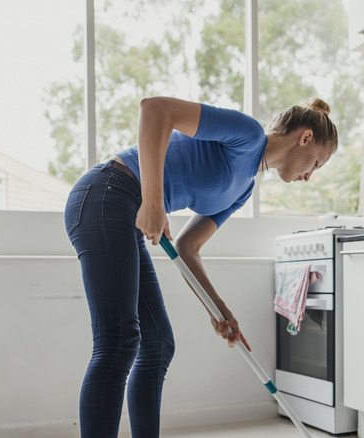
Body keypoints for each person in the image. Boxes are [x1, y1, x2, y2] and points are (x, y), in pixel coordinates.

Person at [64, 96, 338, 438]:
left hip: (126, 211)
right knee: (119, 341)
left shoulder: (243, 190)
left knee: (158, 345)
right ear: (306, 138)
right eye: (316, 164)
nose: (309, 176)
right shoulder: (247, 134)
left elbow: (187, 247)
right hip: (106, 194)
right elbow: (155, 110)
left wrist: (219, 310)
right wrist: (153, 201)